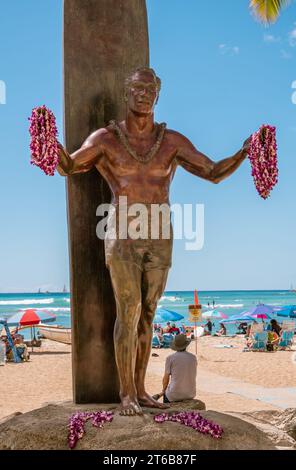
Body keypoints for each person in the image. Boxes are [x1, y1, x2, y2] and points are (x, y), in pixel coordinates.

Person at [57, 67, 251, 415]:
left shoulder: (171, 141)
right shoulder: (106, 139)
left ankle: (143, 391)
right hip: (123, 232)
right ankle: (126, 393)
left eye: (150, 90)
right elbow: (70, 166)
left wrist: (243, 153)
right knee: (128, 311)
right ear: (126, 92)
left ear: (158, 96)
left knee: (148, 314)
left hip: (160, 232)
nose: (143, 94)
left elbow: (212, 172)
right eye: (137, 88)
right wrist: (50, 146)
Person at [153, 334, 197, 403]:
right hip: (190, 393)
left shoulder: (170, 358)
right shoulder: (193, 357)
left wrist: (163, 391)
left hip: (174, 395)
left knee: (168, 394)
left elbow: (166, 378)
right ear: (186, 345)